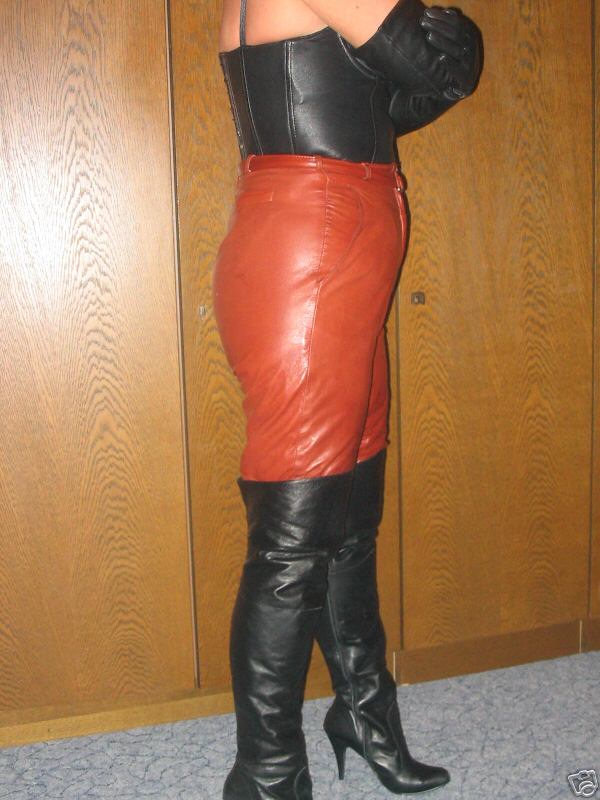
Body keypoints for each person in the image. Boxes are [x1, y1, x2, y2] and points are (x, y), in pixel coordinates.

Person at [213, 1, 483, 797]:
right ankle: (267, 774)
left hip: (339, 245)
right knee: (293, 539)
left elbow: (385, 106)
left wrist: (449, 67)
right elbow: (429, 69)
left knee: (350, 517)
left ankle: (364, 717)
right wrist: (459, 52)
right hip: (314, 248)